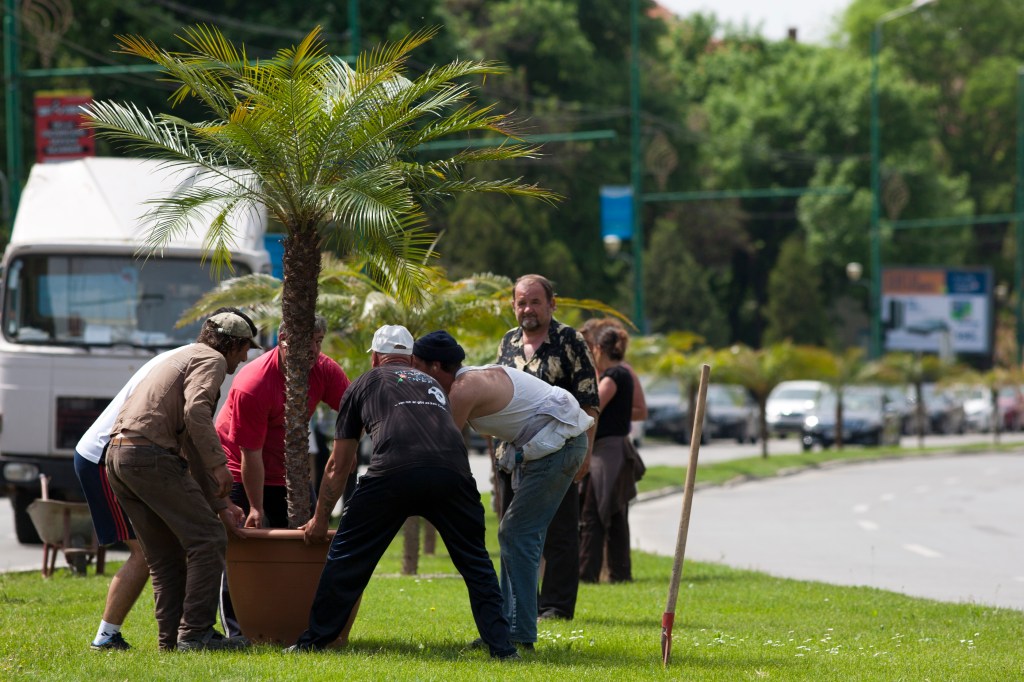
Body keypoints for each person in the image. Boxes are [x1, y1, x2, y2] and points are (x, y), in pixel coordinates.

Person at [289, 325, 518, 660]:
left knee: (349, 557)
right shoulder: (433, 383)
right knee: (476, 563)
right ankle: (503, 647)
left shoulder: (362, 384)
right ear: (412, 359)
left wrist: (321, 518)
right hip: (453, 474)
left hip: (393, 472)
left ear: (374, 357)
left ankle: (315, 641)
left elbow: (340, 465)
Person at [412, 330, 593, 648]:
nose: (413, 375)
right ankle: (508, 628)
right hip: (551, 446)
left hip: (561, 445)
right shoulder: (468, 380)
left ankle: (519, 633)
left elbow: (443, 449)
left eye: (416, 367)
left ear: (435, 366)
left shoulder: (462, 390)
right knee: (517, 535)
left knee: (516, 534)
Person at [104, 309, 260, 652]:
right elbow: (196, 413)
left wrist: (221, 502)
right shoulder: (211, 359)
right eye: (246, 347)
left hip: (119, 457)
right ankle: (196, 634)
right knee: (208, 539)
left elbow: (189, 437)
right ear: (232, 344)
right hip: (150, 457)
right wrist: (221, 466)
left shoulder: (182, 356)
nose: (246, 356)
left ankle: (171, 640)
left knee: (164, 556)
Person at [214, 313, 350, 636]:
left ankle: (305, 625)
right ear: (283, 339)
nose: (314, 350)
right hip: (240, 468)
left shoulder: (325, 370)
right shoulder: (254, 382)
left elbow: (352, 409)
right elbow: (250, 454)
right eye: (307, 342)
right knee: (243, 550)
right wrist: (257, 508)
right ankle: (239, 631)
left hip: (291, 473)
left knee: (311, 543)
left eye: (318, 342)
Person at [495, 274, 599, 621]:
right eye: (521, 302)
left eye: (535, 301)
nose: (527, 309)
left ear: (552, 304)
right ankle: (515, 606)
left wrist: (585, 453)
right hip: (513, 457)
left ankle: (555, 606)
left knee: (559, 532)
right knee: (512, 531)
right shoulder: (507, 343)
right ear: (513, 305)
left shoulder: (570, 340)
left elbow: (589, 401)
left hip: (559, 453)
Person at [578, 326, 643, 583]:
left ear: (598, 349)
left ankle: (586, 575)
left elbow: (594, 406)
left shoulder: (612, 376)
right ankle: (620, 574)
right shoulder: (624, 373)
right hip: (618, 451)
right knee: (616, 516)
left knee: (593, 515)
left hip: (607, 454)